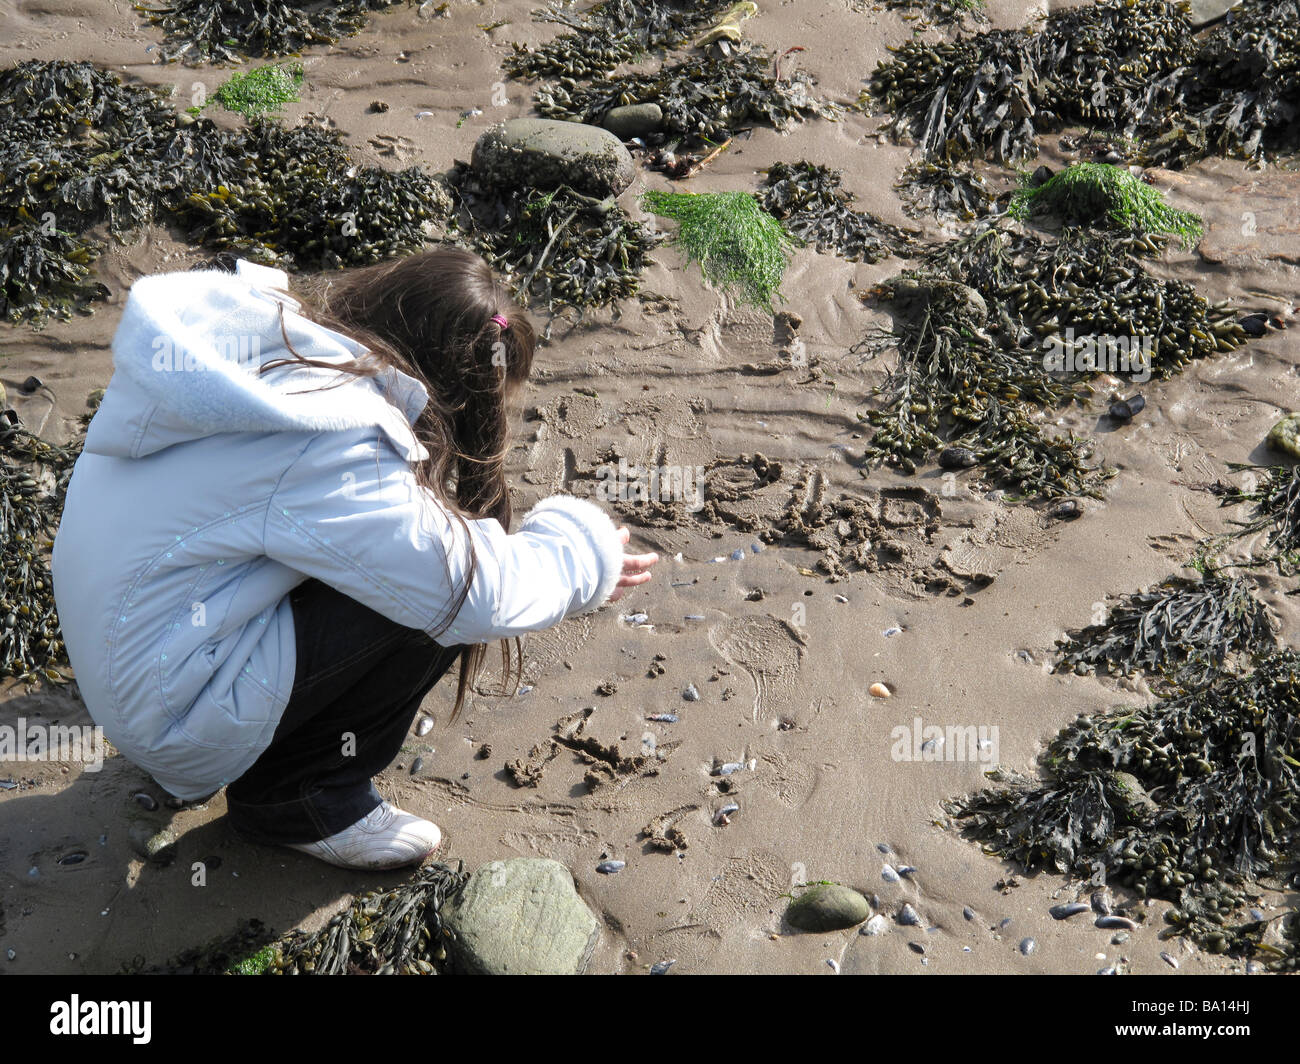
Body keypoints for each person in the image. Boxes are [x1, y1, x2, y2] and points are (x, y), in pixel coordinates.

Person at [51, 248, 658, 870]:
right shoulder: (334, 439)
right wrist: (580, 550)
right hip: (167, 711)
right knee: (435, 591)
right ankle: (300, 798)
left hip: (127, 647)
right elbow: (476, 591)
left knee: (400, 553)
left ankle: (259, 745)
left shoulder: (255, 341)